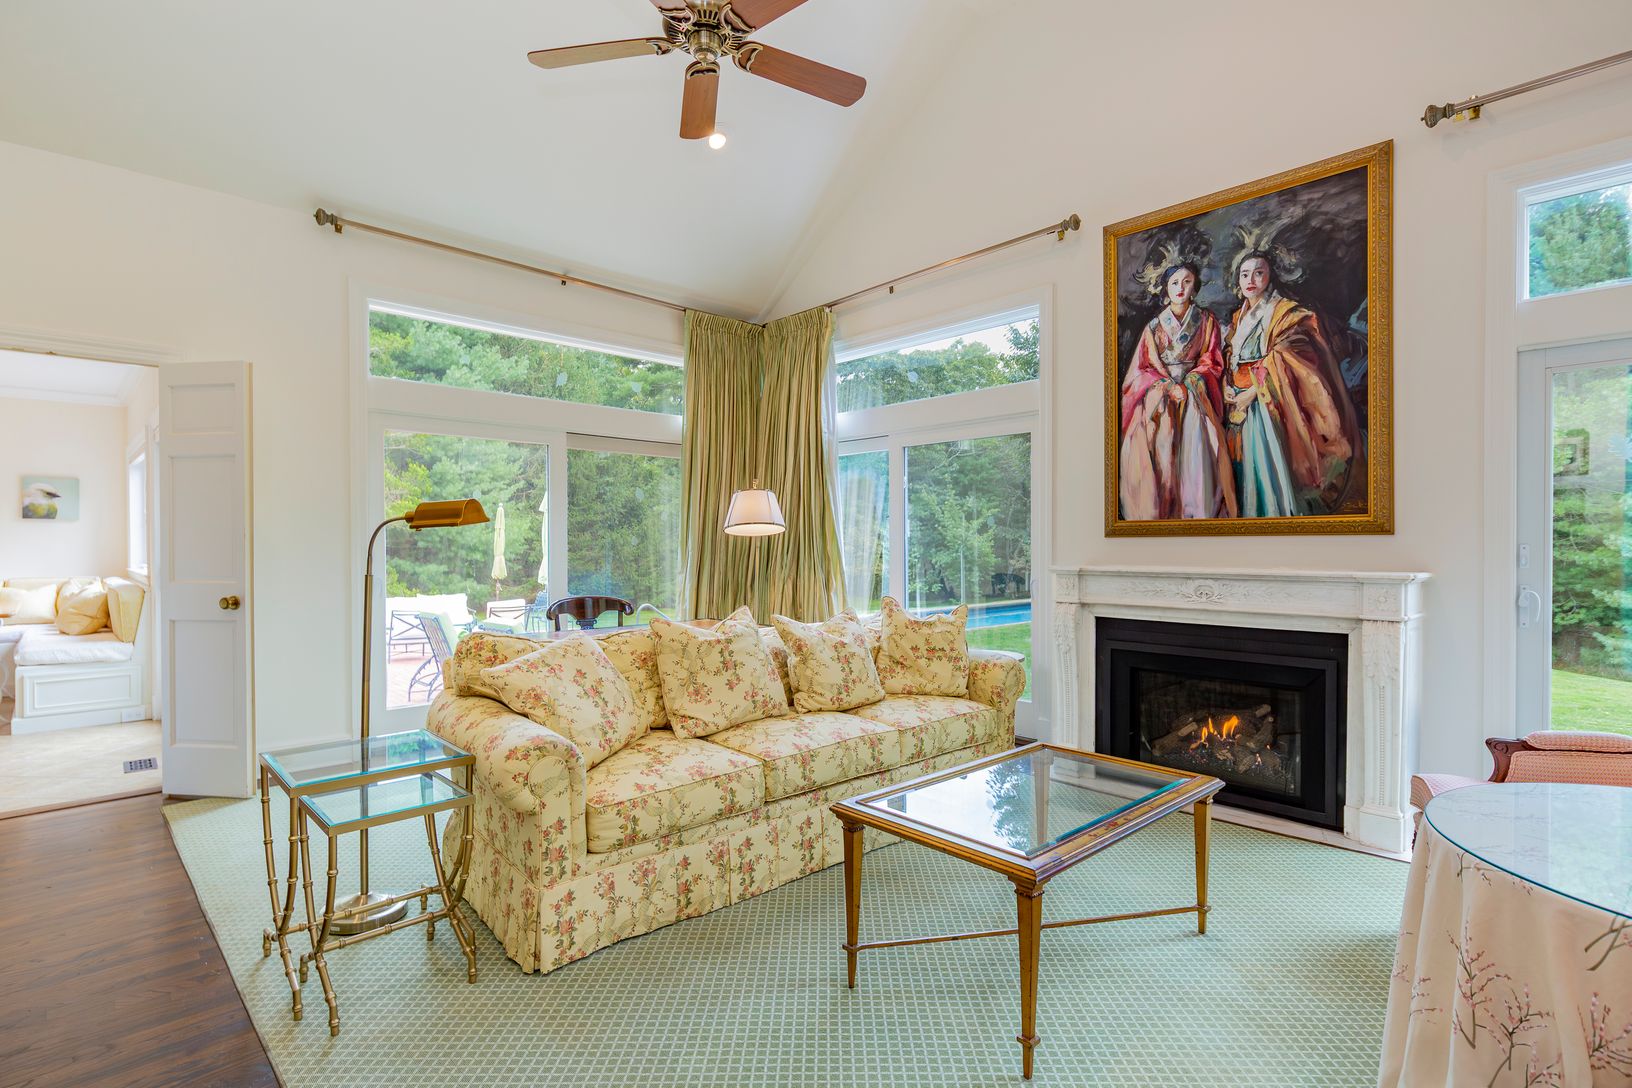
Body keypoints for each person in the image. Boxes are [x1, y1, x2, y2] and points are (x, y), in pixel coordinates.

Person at [1223, 251, 1356, 517]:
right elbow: (1230, 355)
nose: (1251, 280)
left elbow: (1290, 354)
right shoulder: (1238, 317)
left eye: (1259, 272)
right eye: (1244, 274)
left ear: (1270, 275)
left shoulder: (1285, 312)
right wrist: (1228, 382)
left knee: (1267, 465)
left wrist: (1253, 391)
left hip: (1266, 402)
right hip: (1238, 401)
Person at [1119, 260, 1238, 520]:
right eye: (1175, 283)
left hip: (1195, 392)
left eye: (1187, 282)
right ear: (1166, 288)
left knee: (1199, 451)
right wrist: (1165, 386)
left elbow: (1212, 360)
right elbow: (1141, 369)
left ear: (1194, 286)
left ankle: (1198, 512)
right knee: (1160, 451)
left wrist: (1192, 382)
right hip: (1160, 395)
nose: (1180, 288)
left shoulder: (1206, 321)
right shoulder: (1153, 327)